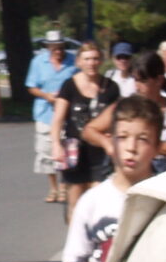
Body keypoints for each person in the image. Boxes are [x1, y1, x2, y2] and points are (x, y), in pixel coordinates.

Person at [60, 96, 160, 262]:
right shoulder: (92, 201)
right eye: (123, 137)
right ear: (111, 141)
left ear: (157, 147)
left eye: (143, 139)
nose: (131, 148)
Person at [48, 41, 117, 218]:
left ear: (101, 61)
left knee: (98, 200)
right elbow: (58, 118)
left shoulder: (111, 87)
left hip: (100, 152)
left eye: (95, 59)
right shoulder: (69, 86)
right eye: (86, 59)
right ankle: (74, 233)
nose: (91, 63)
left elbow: (117, 118)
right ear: (78, 61)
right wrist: (56, 144)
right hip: (75, 152)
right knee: (76, 200)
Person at [27, 30, 74, 205]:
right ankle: (53, 187)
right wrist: (47, 96)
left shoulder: (73, 62)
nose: (58, 51)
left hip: (67, 114)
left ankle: (63, 186)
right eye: (54, 48)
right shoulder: (38, 62)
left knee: (66, 150)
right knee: (46, 152)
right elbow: (31, 86)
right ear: (48, 47)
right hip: (45, 113)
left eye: (61, 47)